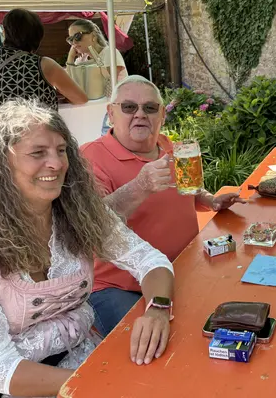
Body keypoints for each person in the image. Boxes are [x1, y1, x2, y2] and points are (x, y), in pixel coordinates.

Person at [0, 100, 175, 398]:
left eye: (61, 150)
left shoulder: (78, 213)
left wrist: (158, 309)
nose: (57, 163)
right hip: (21, 387)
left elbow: (149, 260)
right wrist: (98, 382)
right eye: (38, 153)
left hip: (87, 358)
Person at [81, 75, 245, 337]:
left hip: (182, 270)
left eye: (149, 107)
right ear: (111, 114)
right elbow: (92, 223)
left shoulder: (168, 146)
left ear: (162, 116)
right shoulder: (90, 157)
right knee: (148, 346)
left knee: (226, 320)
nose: (140, 114)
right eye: (129, 107)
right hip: (120, 286)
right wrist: (139, 186)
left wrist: (209, 199)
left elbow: (186, 188)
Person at [0, 9, 88, 112]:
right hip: (33, 127)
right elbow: (80, 99)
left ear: (5, 33)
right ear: (38, 37)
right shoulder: (44, 65)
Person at [66, 18, 129, 134]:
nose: (74, 42)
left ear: (93, 36)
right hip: (94, 114)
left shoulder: (110, 53)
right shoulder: (82, 60)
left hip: (114, 114)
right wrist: (70, 58)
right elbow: (69, 83)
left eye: (77, 36)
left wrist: (92, 53)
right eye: (70, 39)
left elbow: (105, 80)